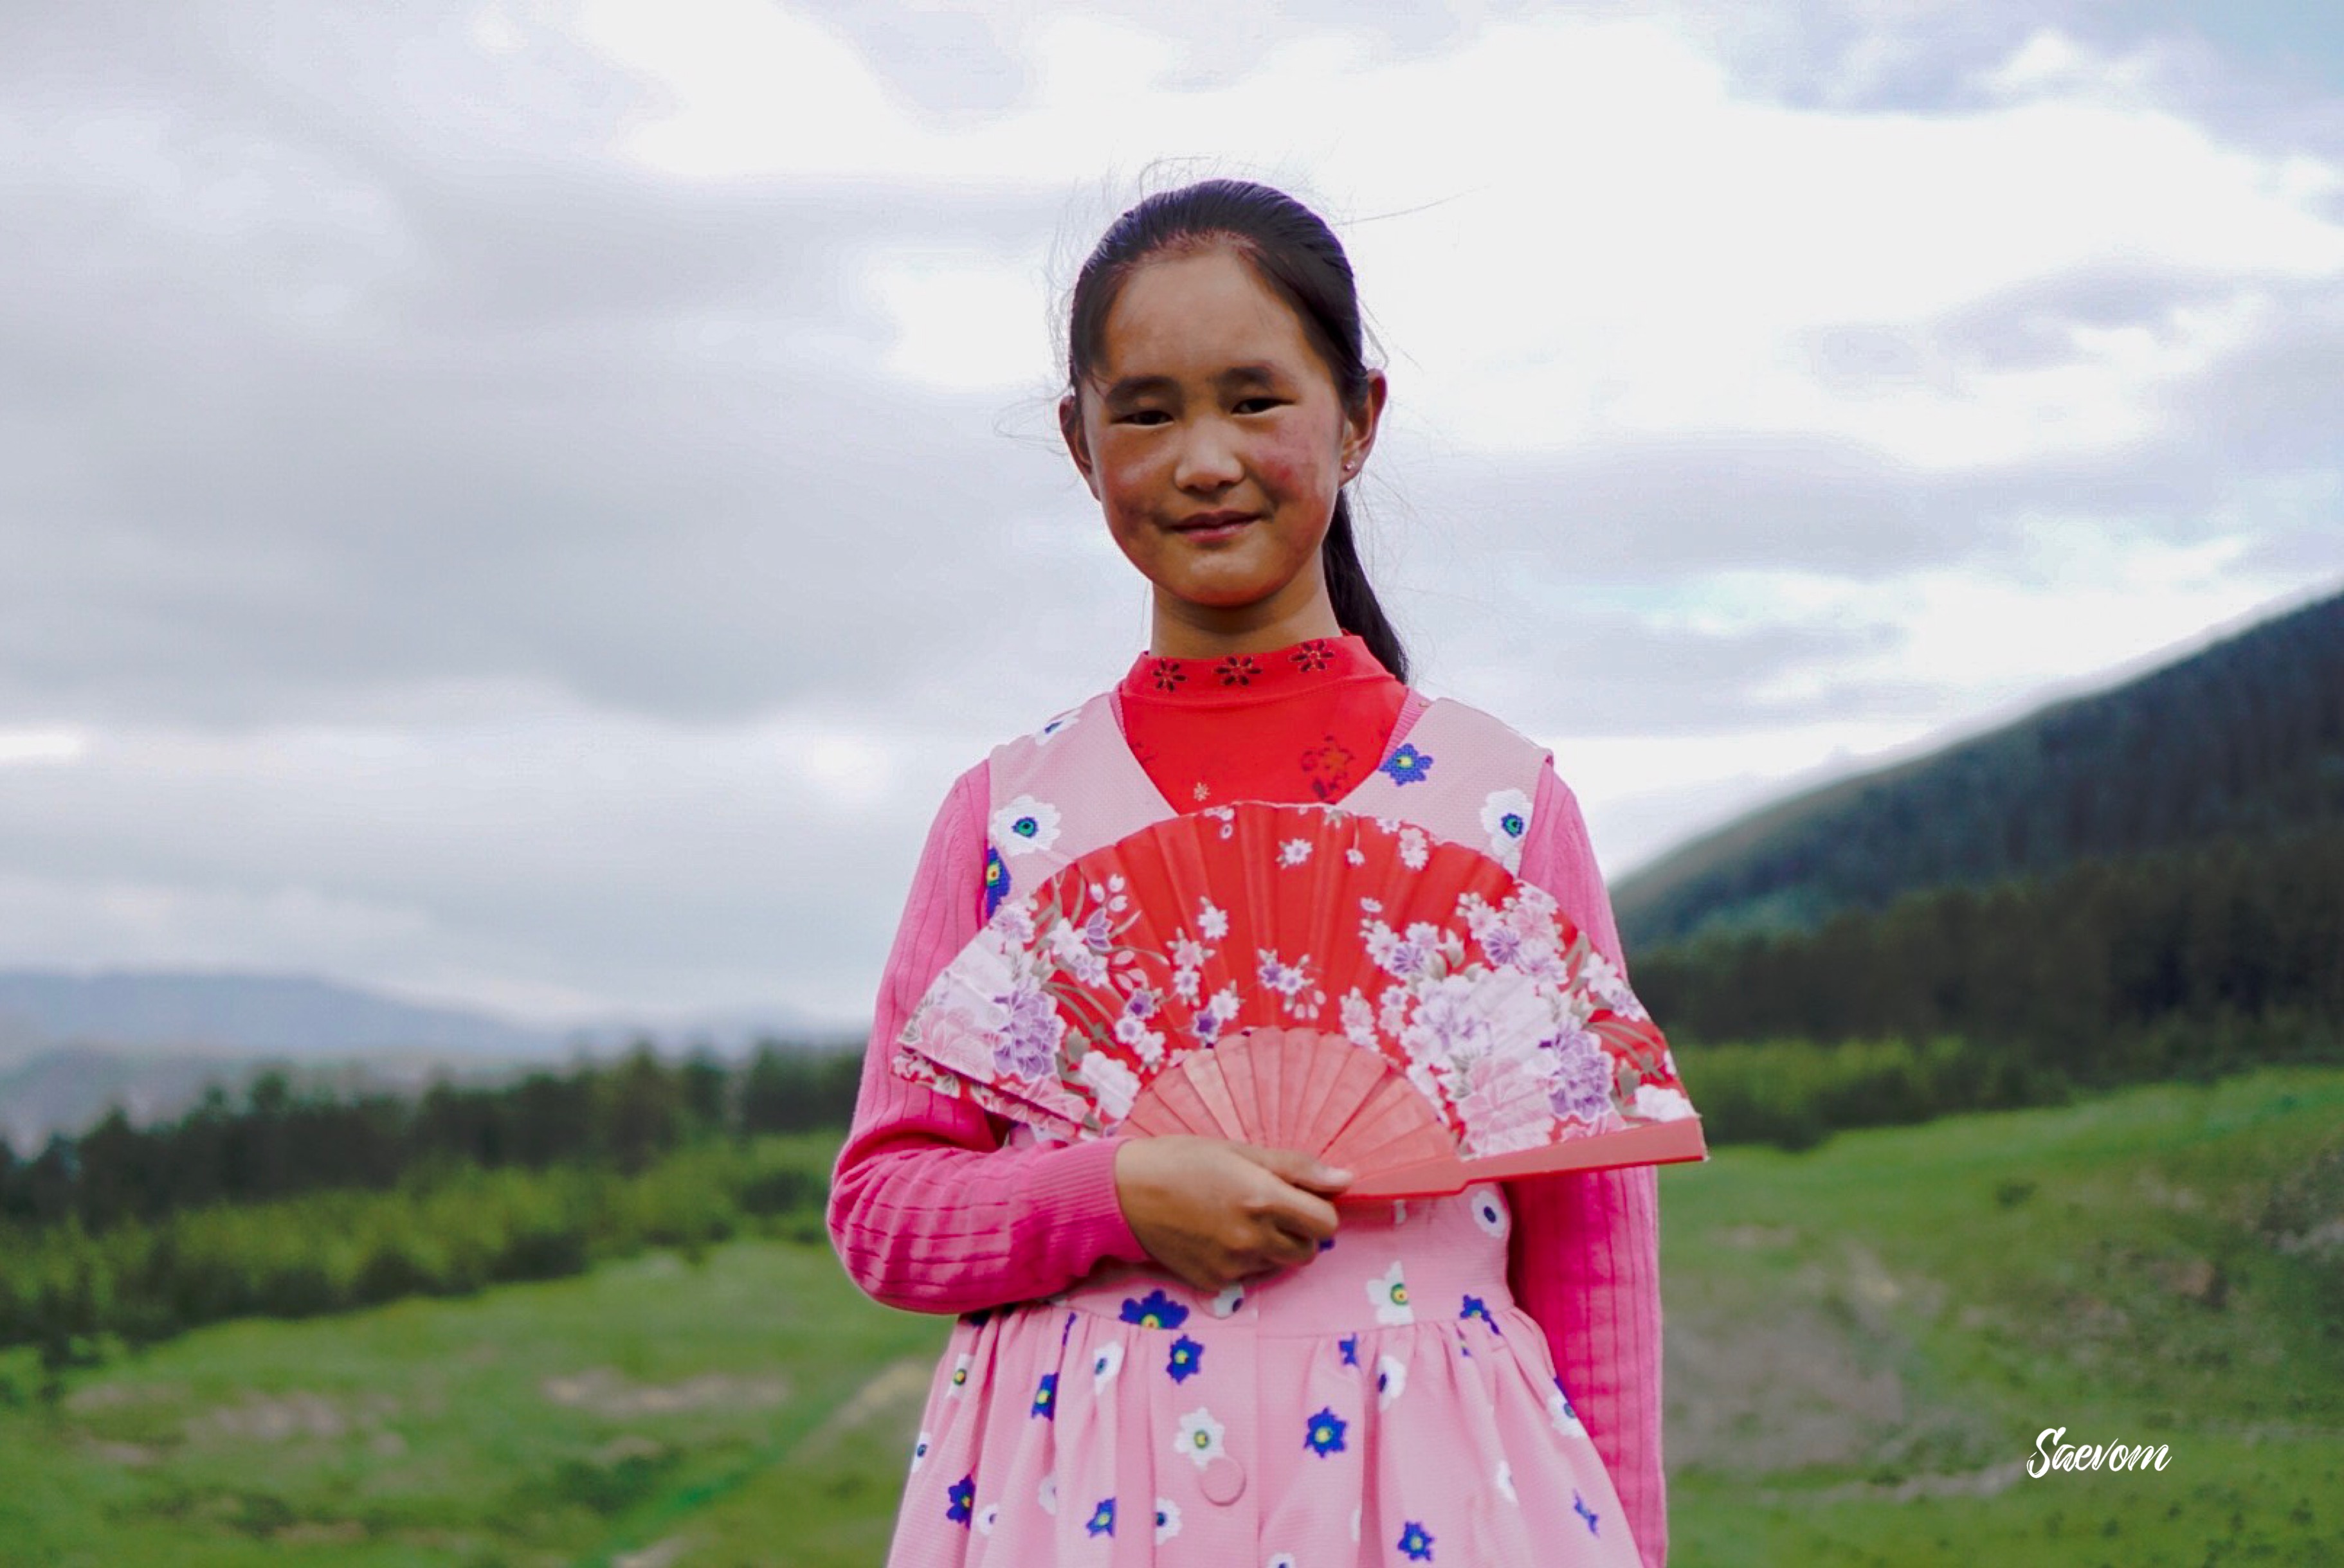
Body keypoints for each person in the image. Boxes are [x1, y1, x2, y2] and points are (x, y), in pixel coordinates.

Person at [829, 178, 1666, 1567]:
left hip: (1437, 1503)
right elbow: (883, 1215)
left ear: (1358, 418)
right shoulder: (1006, 820)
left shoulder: (1500, 808)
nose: (1203, 458)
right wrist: (1112, 1194)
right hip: (1070, 1505)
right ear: (1080, 444)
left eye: (1255, 399)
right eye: (1146, 412)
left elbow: (1595, 1269)